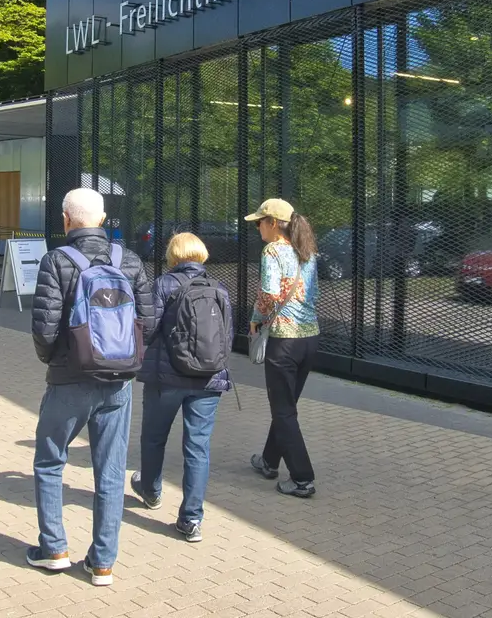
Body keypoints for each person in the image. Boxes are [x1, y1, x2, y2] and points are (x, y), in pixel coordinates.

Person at [29, 188, 154, 587]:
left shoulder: (56, 260)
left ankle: (54, 550)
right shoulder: (130, 260)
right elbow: (147, 323)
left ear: (66, 219)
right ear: (102, 220)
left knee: (50, 461)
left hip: (69, 379)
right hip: (118, 382)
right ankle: (102, 563)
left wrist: (54, 361)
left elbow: (44, 327)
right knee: (111, 471)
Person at [130, 232, 233, 543]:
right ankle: (190, 519)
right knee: (197, 448)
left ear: (173, 256)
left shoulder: (162, 284)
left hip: (167, 378)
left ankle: (150, 491)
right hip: (208, 379)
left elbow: (146, 328)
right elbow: (227, 337)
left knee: (153, 437)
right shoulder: (219, 288)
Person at [245, 198, 320, 498]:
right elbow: (313, 294)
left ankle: (303, 478)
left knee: (283, 410)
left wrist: (255, 319)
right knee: (286, 405)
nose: (258, 228)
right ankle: (268, 460)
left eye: (260, 222)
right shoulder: (308, 252)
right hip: (310, 338)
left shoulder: (272, 250)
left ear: (273, 223)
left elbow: (269, 293)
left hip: (283, 341)